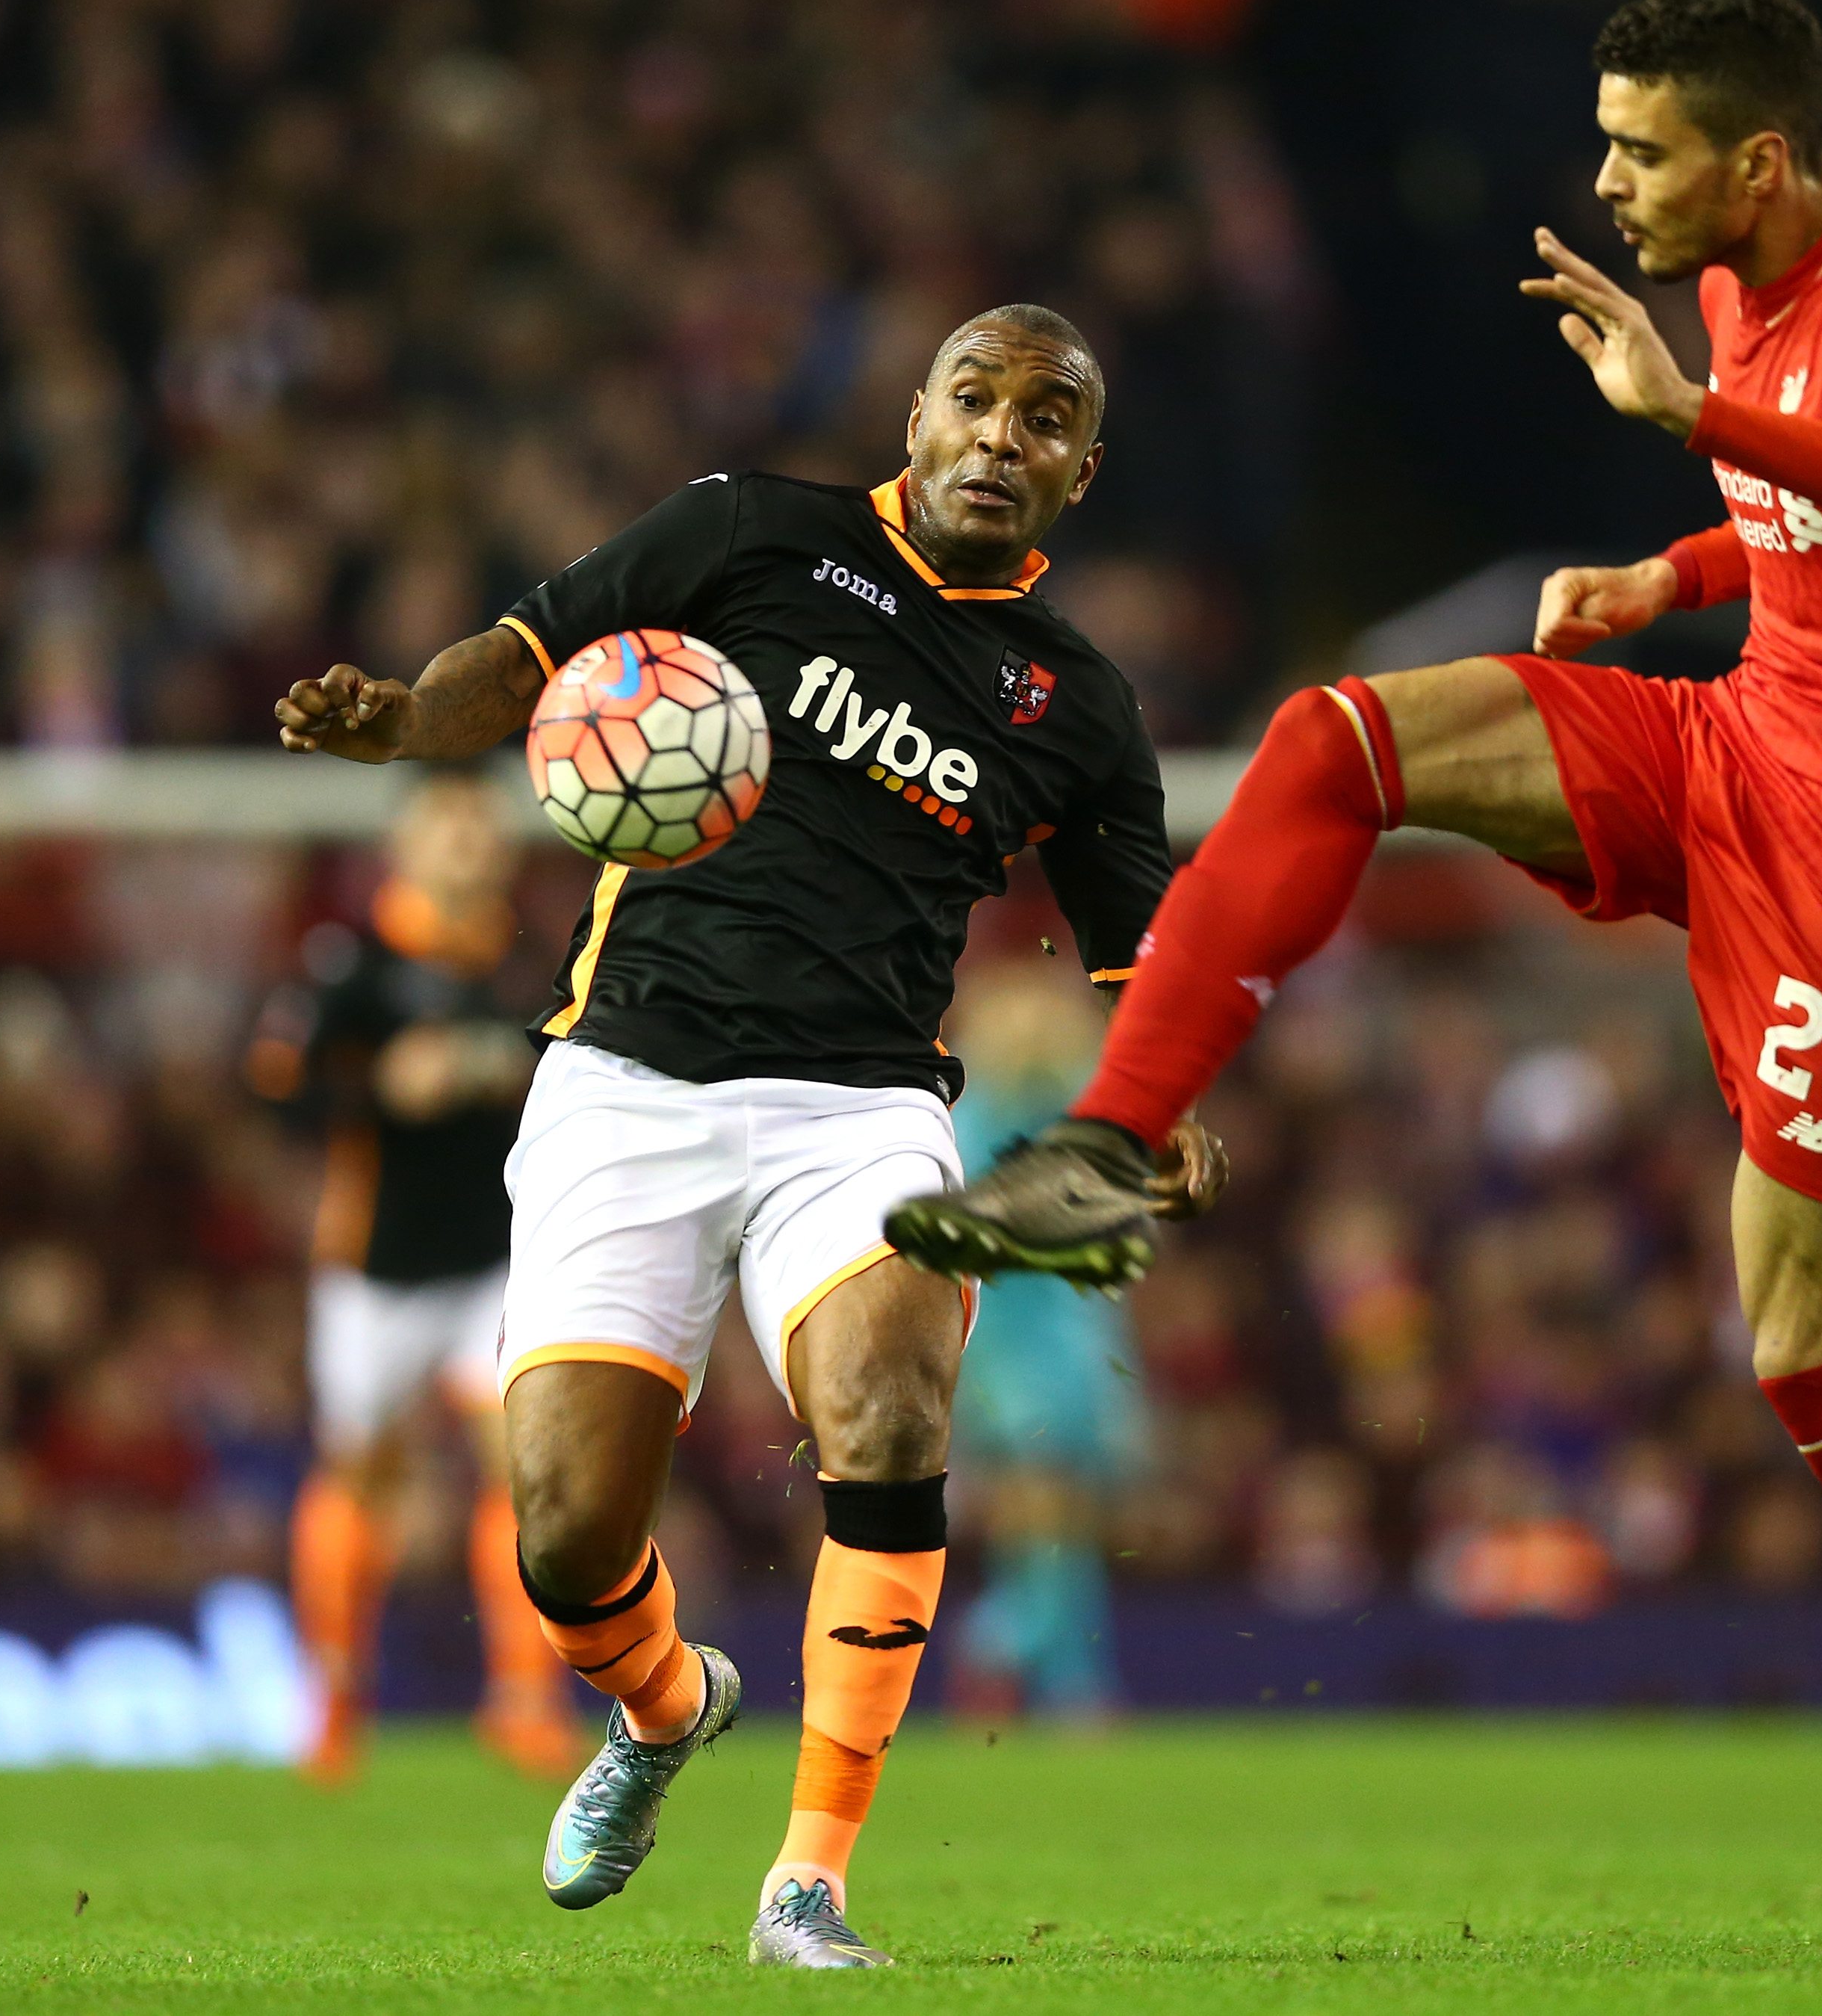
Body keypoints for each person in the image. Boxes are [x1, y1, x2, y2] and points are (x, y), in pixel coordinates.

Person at [890, 0, 1822, 1969]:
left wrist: (1689, 424)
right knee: (1335, 742)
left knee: (1809, 1351)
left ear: (1757, 161)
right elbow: (1818, 514)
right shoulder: (1745, 285)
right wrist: (1673, 575)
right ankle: (1114, 1142)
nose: (1611, 177)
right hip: (1739, 744)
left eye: (1640, 148)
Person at [272, 305, 1219, 1968]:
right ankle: (661, 1705)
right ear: (916, 415)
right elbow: (528, 644)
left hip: (859, 1111)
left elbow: (1145, 952)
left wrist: (1167, 1106)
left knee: (890, 1404)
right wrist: (415, 721)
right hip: (624, 1079)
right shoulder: (746, 532)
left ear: (1082, 468)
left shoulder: (1078, 704)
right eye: (977, 400)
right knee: (565, 1537)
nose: (1004, 436)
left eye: (1048, 417)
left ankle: (809, 1881)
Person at [248, 773, 576, 1784]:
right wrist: (380, 1088)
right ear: (405, 847)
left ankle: (523, 1701)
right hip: (377, 1269)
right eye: (449, 828)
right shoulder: (350, 961)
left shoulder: (533, 962)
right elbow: (275, 1083)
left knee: (521, 1468)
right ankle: (335, 1699)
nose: (470, 844)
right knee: (362, 1477)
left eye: (482, 828)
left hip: (496, 1259)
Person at [941, 963, 1147, 1721]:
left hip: (1047, 1344)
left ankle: (1035, 1662)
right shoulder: (1037, 1118)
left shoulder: (1000, 1118)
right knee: (1049, 1524)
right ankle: (1046, 1670)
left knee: (1054, 1527)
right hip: (1028, 1344)